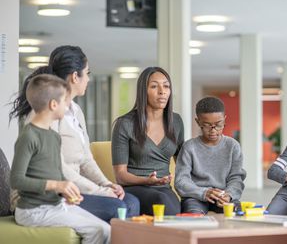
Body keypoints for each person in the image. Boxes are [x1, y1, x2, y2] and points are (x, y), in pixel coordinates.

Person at [9, 45, 140, 223]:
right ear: (74, 77)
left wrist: (106, 184)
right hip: (51, 196)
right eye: (87, 73)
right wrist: (99, 192)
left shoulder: (76, 111)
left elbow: (86, 159)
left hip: (76, 189)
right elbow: (57, 169)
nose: (88, 79)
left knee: (132, 202)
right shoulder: (47, 112)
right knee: (117, 208)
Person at [10, 74, 110, 244]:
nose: (68, 105)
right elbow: (16, 180)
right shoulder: (28, 136)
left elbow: (57, 174)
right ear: (53, 104)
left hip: (56, 205)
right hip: (32, 211)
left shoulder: (54, 137)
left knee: (106, 229)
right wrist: (56, 185)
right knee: (99, 230)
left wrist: (67, 190)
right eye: (65, 101)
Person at [112, 66, 184, 215]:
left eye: (166, 86)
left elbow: (183, 164)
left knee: (174, 204)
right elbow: (120, 175)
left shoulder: (176, 121)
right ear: (143, 91)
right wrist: (147, 180)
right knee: (162, 202)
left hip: (164, 189)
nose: (162, 91)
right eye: (154, 86)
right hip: (135, 188)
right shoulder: (124, 123)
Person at [174, 97, 246, 214]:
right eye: (207, 125)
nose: (213, 130)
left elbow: (236, 178)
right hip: (195, 197)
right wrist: (204, 193)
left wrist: (229, 195)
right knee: (193, 215)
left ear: (224, 119)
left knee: (236, 214)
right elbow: (181, 180)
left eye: (218, 124)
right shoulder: (189, 147)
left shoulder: (233, 146)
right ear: (198, 122)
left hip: (223, 195)